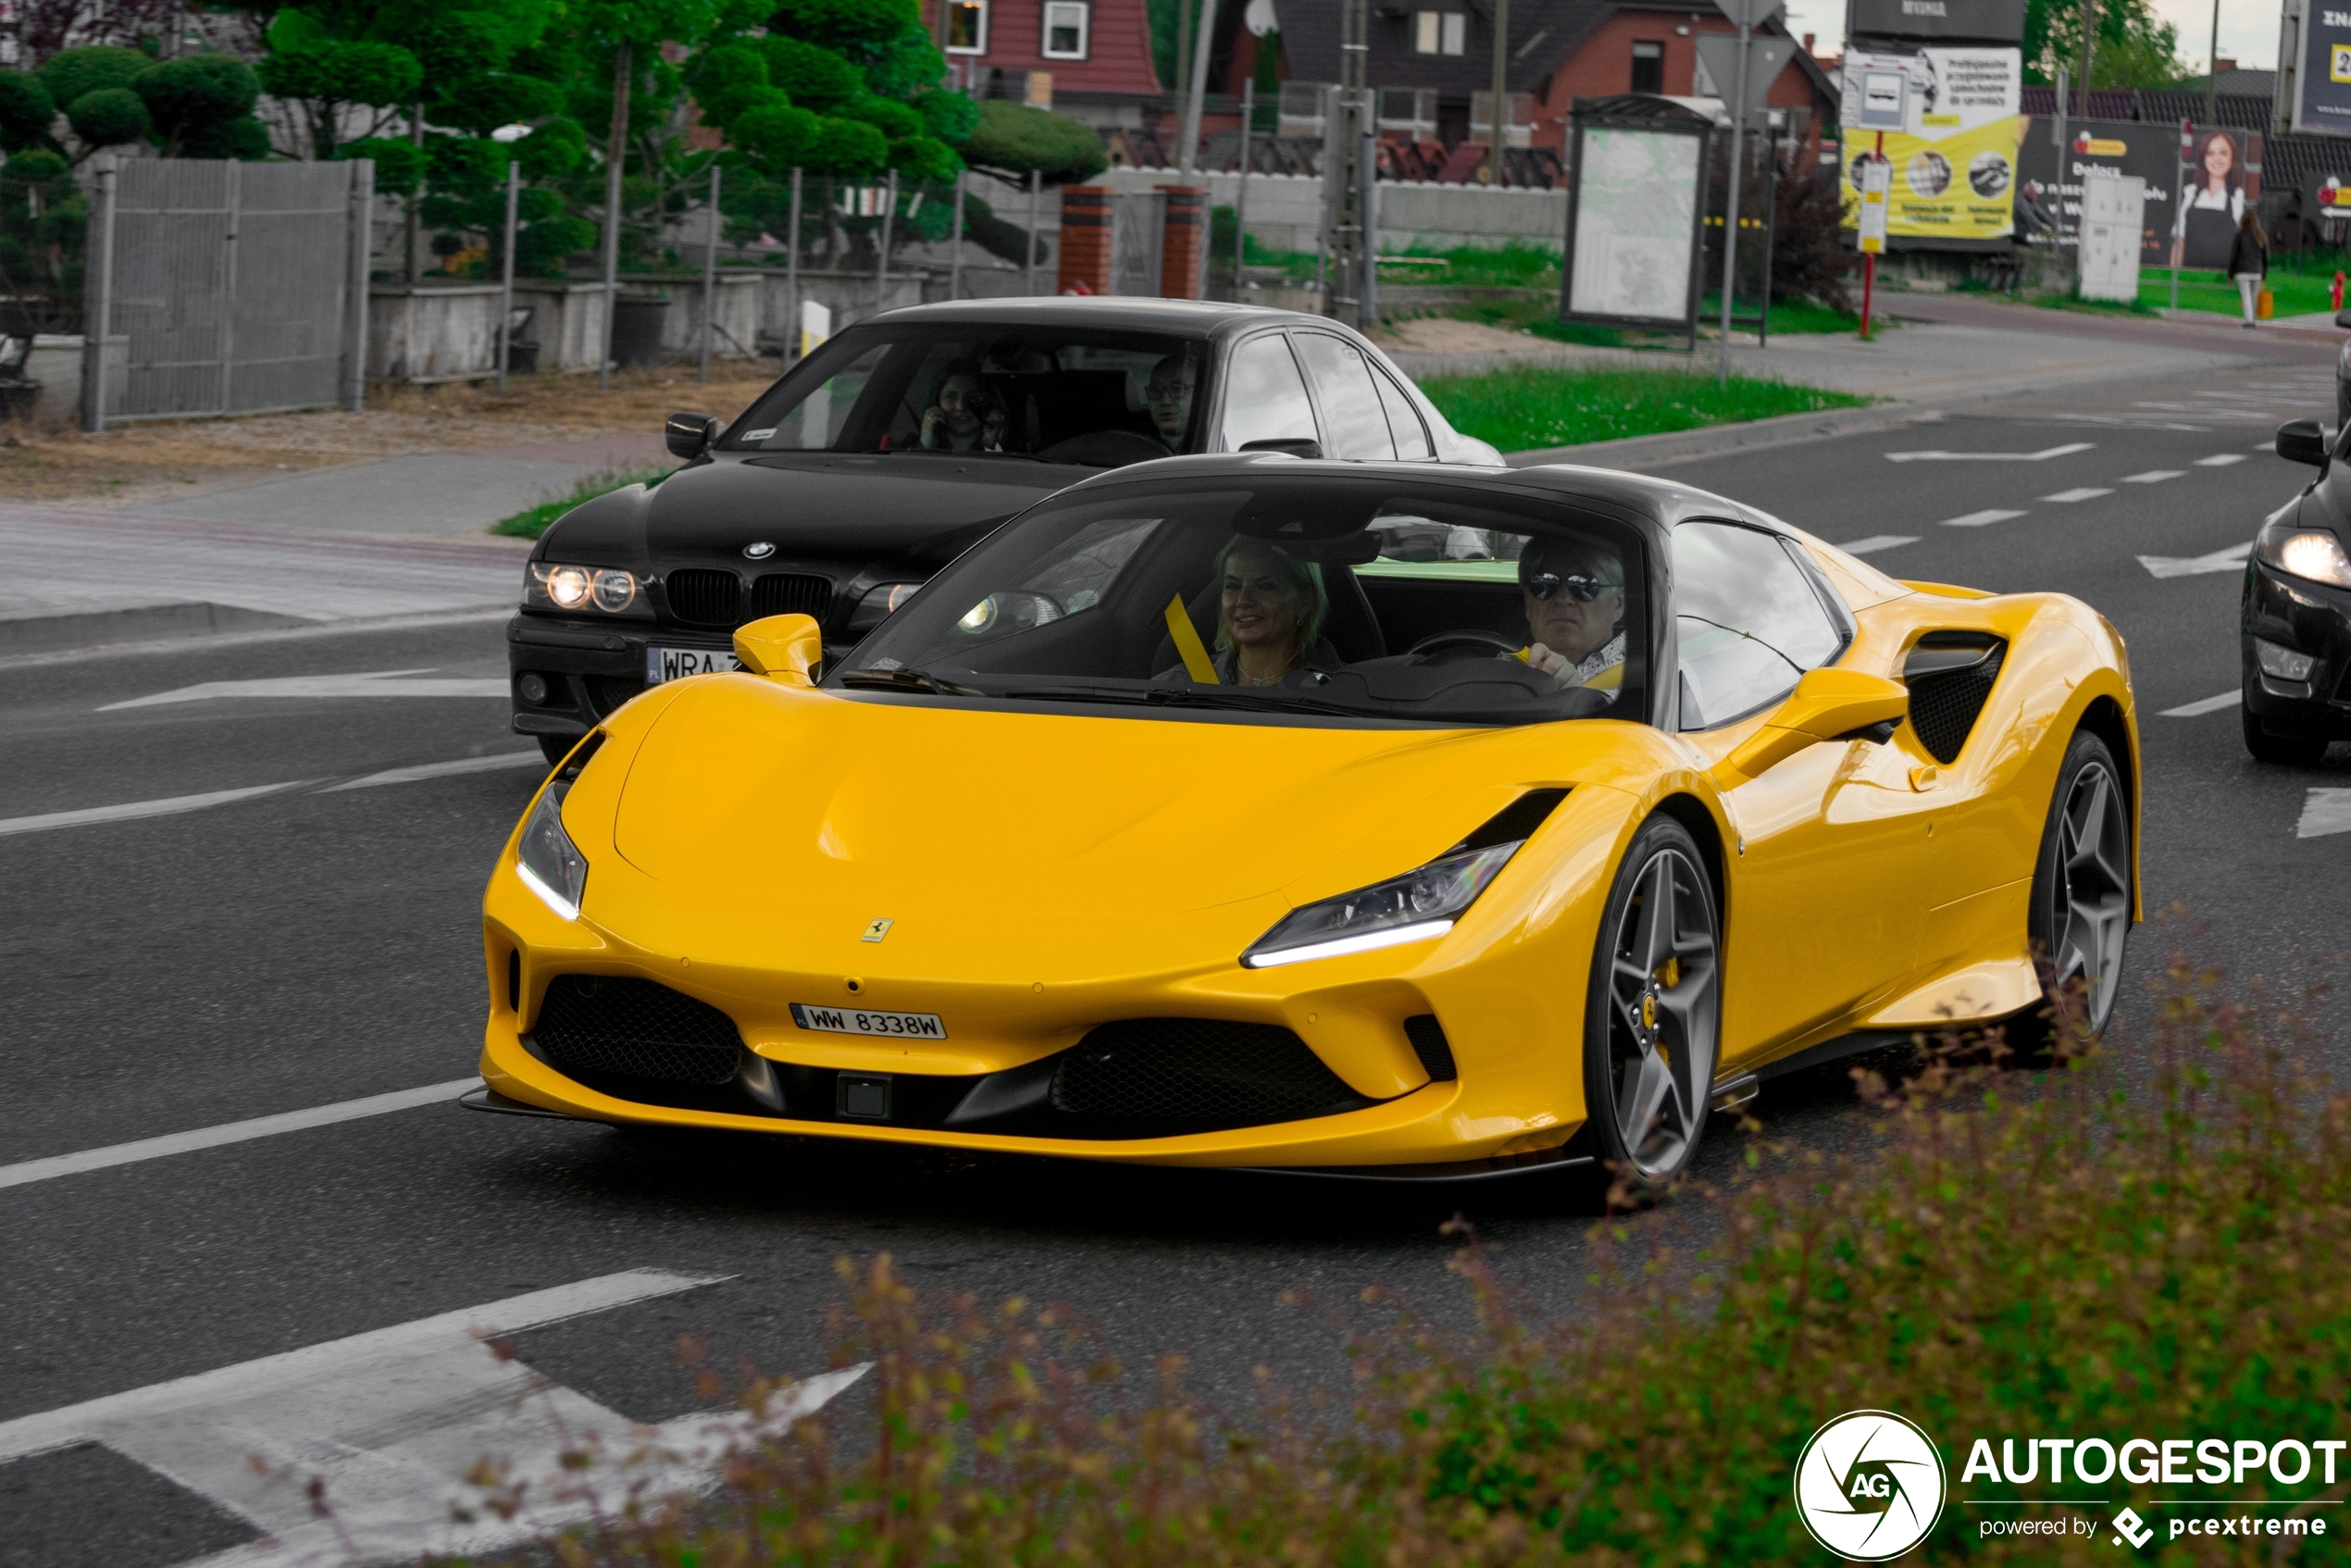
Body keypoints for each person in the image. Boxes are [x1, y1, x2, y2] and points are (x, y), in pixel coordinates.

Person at [1161, 538, 1341, 686]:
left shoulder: (1341, 688)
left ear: (1304, 602)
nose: (1243, 600)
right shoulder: (1180, 683)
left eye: (1265, 586)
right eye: (1233, 586)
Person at [1518, 536, 1625, 697]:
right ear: (1528, 604)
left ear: (1618, 605)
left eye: (1583, 585)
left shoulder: (1643, 674)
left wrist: (1574, 703)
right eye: (1544, 584)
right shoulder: (1506, 663)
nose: (1563, 599)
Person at [2172, 131, 2244, 269]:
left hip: (2222, 279)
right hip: (2190, 277)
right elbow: (2179, 241)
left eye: (2223, 153)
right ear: (2203, 159)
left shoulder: (2238, 197)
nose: (2217, 159)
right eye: (2210, 154)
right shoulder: (2190, 194)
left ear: (2232, 159)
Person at [918, 361, 1006, 451]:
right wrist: (925, 447)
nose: (961, 407)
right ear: (937, 403)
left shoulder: (1013, 450)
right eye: (950, 397)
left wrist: (991, 447)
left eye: (973, 398)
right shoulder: (908, 446)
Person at [1141, 353, 1197, 451]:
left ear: (1199, 394)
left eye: (1177, 389)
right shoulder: (1131, 447)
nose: (1165, 401)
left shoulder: (1216, 450)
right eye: (1155, 390)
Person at [2228, 209, 2270, 330]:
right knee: (2253, 297)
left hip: (2242, 271)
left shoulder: (2240, 236)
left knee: (2246, 296)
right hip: (2257, 271)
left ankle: (2249, 322)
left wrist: (2230, 274)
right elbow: (2266, 257)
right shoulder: (2262, 236)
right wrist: (2264, 274)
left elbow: (2233, 256)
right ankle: (2252, 321)